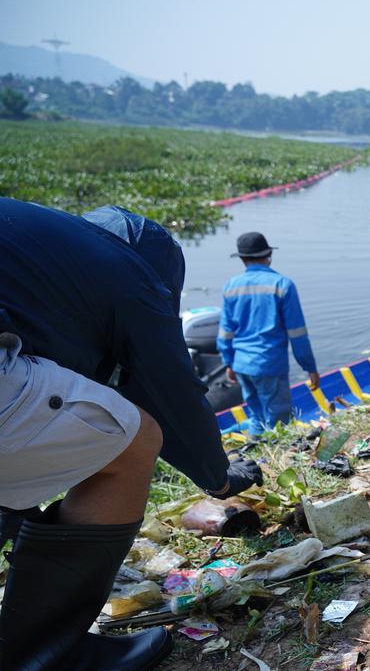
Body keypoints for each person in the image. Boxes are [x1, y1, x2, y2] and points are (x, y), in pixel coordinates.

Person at [0, 199, 262, 669]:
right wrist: (219, 479)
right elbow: (170, 389)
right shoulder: (129, 273)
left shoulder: (47, 257)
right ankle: (47, 656)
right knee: (132, 439)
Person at [217, 232, 321, 438]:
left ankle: (257, 452)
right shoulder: (282, 285)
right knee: (279, 419)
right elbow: (297, 334)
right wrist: (309, 367)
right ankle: (278, 459)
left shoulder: (230, 287)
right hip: (269, 364)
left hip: (242, 364)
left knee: (256, 414)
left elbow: (225, 333)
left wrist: (228, 362)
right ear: (269, 254)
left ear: (241, 258)